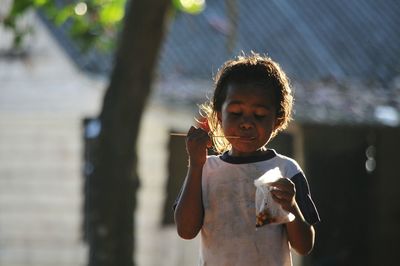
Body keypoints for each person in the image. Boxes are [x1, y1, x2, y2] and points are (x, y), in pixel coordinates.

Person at [174, 53, 320, 266]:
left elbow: (304, 246)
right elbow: (186, 231)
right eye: (235, 113)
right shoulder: (205, 170)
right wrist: (196, 165)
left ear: (278, 120)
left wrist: (290, 206)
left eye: (259, 115)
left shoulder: (285, 171)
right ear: (218, 116)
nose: (246, 123)